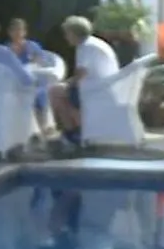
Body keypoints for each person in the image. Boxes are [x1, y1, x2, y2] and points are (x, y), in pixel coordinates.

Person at [50, 15, 120, 150]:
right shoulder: (93, 43)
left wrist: (66, 84)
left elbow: (80, 75)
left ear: (73, 33)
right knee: (62, 93)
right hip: (103, 87)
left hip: (97, 90)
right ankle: (75, 131)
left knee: (55, 92)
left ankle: (73, 133)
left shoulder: (85, 47)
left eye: (67, 33)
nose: (66, 37)